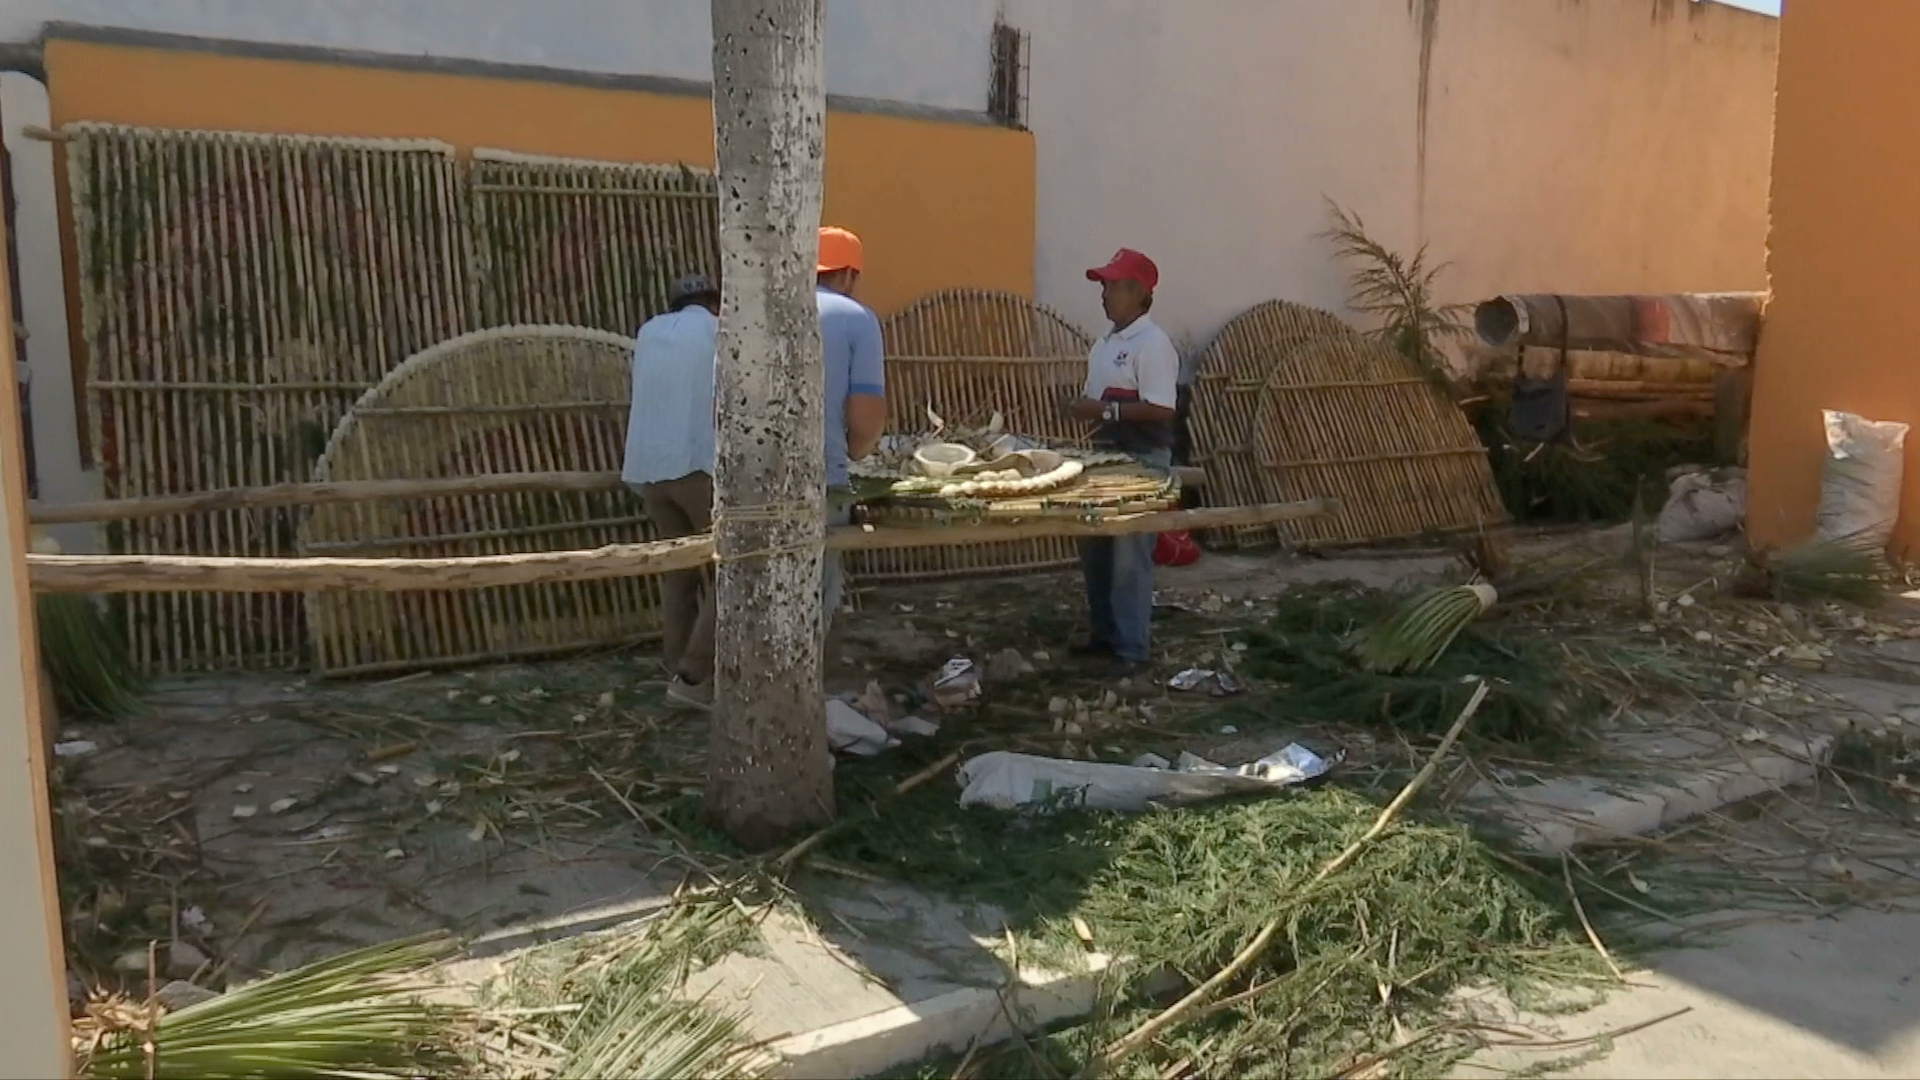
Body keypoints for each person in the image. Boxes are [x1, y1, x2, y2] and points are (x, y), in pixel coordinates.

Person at [1065, 248, 1179, 678]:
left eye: (1113, 285)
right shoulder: (1107, 342)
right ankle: (1105, 635)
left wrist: (1105, 413)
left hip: (1142, 460)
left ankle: (1132, 650)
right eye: (1104, 286)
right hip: (1104, 458)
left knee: (1130, 555)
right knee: (1095, 548)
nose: (1105, 294)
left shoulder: (1152, 344)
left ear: (1138, 292)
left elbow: (1163, 408)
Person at [622, 273, 722, 710]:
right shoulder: (720, 331)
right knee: (732, 575)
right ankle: (693, 676)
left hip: (650, 469)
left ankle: (673, 667)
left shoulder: (649, 332)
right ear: (714, 302)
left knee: (678, 574)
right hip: (698, 466)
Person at [816, 226, 887, 636]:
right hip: (821, 478)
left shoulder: (763, 308)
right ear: (847, 275)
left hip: (747, 478)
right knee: (814, 594)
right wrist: (855, 455)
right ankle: (802, 696)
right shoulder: (855, 319)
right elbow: (864, 417)